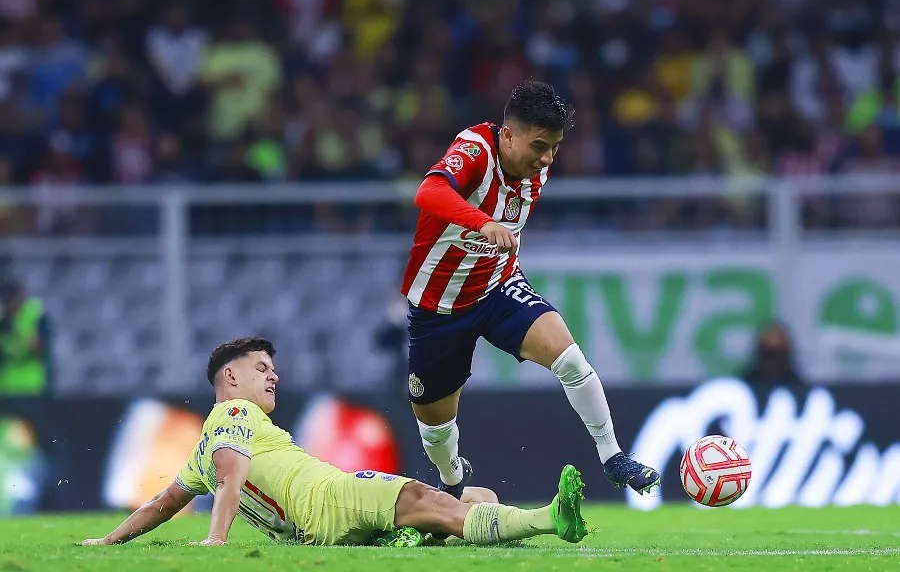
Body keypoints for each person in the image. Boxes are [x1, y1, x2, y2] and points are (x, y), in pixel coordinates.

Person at [400, 81, 660, 507]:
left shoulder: (536, 164)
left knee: (569, 357)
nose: (546, 158)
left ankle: (613, 457)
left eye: (554, 147)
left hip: (498, 287)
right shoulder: (476, 149)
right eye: (539, 145)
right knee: (435, 426)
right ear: (507, 135)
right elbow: (428, 192)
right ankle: (452, 480)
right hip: (438, 307)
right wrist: (481, 223)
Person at [80, 337, 587, 547]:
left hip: (317, 530)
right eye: (262, 369)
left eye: (274, 370)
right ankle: (551, 518)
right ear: (229, 378)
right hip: (332, 498)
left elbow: (164, 502)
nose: (273, 377)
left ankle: (448, 528)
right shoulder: (232, 413)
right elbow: (231, 476)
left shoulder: (203, 449)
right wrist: (216, 539)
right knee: (424, 499)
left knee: (474, 501)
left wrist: (109, 541)